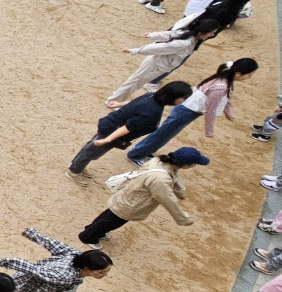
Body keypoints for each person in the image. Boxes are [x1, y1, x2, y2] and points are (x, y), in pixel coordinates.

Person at [127, 59, 257, 164]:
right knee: (163, 133)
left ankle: (145, 150)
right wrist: (209, 130)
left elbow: (225, 99)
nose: (249, 77)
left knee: (165, 133)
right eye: (249, 74)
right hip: (188, 111)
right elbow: (211, 110)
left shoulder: (224, 77)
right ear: (238, 73)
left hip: (188, 108)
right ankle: (136, 154)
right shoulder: (221, 87)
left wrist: (228, 112)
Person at [78, 147, 208, 245]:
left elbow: (174, 176)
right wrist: (183, 219)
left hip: (129, 194)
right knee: (112, 220)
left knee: (109, 216)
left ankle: (94, 230)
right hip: (134, 203)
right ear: (186, 165)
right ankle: (88, 237)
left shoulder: (159, 161)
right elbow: (167, 199)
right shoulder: (161, 179)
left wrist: (180, 191)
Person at [69, 82, 193, 184]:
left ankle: (77, 165)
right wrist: (108, 139)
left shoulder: (151, 96)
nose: (183, 101)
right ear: (173, 96)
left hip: (110, 124)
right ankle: (74, 171)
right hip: (114, 132)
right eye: (183, 97)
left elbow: (134, 103)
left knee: (91, 147)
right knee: (92, 151)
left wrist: (119, 104)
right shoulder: (152, 112)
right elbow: (127, 128)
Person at [0, 228, 112, 292]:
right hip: (23, 290)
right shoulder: (65, 276)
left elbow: (53, 244)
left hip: (21, 279)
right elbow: (33, 270)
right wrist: (4, 261)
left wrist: (31, 233)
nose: (105, 274)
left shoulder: (76, 255)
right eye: (102, 272)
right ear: (87, 268)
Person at [104, 18, 221, 107]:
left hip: (158, 65)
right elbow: (159, 48)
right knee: (134, 82)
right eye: (211, 33)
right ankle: (113, 101)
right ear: (202, 32)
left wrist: (153, 35)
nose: (212, 35)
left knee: (136, 82)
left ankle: (116, 100)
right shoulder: (184, 44)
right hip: (156, 65)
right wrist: (136, 51)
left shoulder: (188, 35)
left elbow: (170, 34)